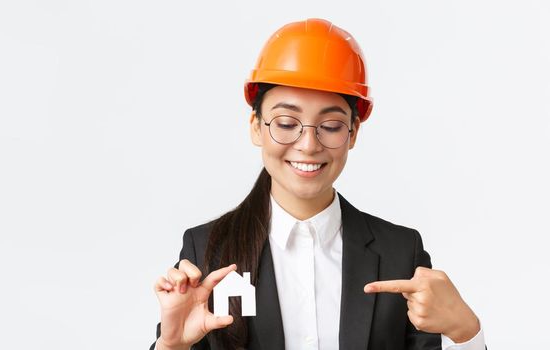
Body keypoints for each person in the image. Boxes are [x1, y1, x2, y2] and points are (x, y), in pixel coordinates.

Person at [150, 18, 486, 350]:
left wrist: (466, 334)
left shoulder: (400, 253)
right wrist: (172, 346)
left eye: (331, 125)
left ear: (353, 133)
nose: (308, 145)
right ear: (256, 126)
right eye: (285, 122)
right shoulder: (208, 251)